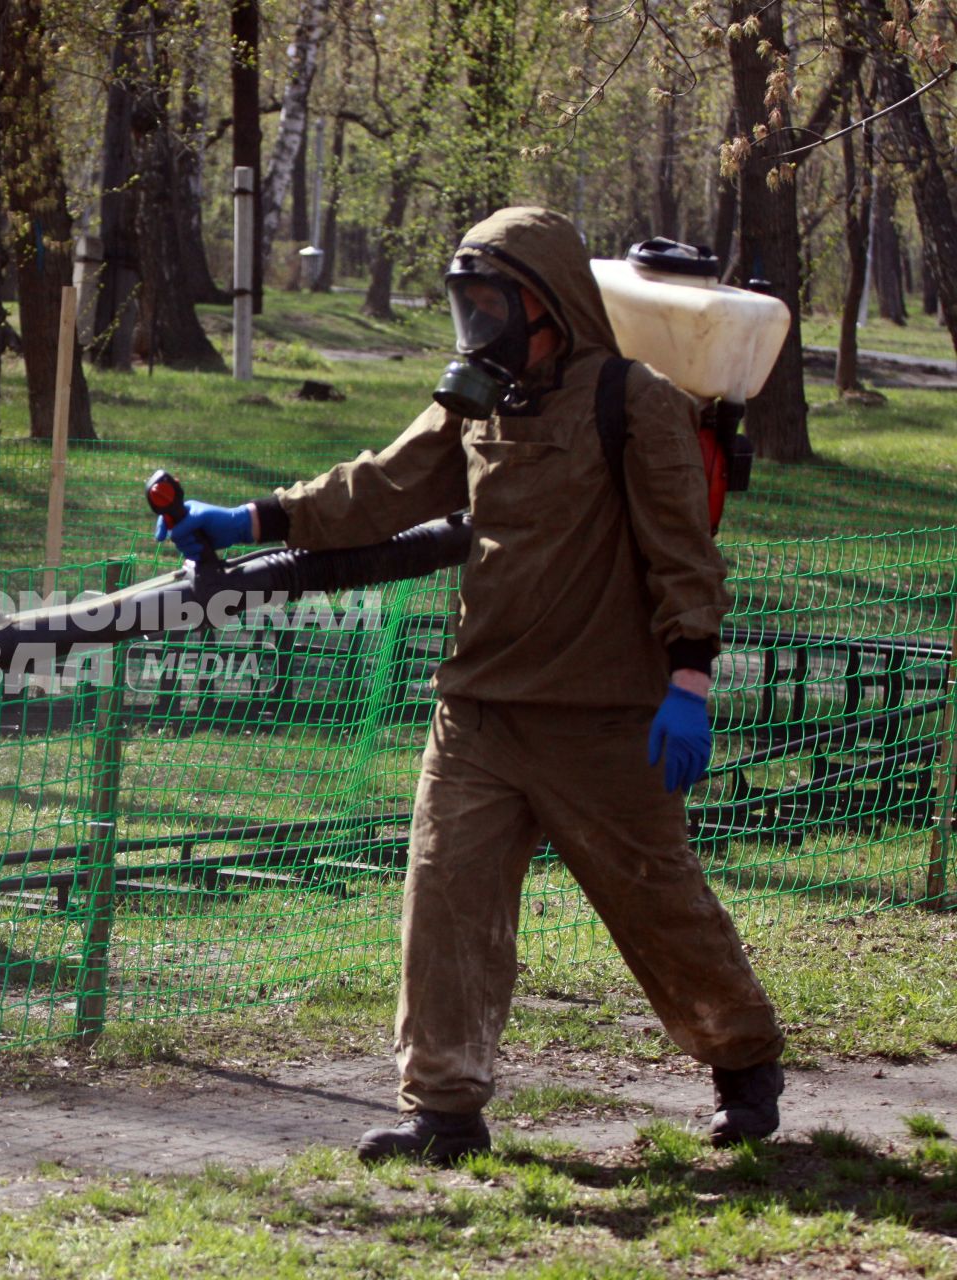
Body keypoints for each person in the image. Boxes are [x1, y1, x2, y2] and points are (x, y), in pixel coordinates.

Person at [158, 206, 785, 1162]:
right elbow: (383, 489)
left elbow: (683, 556)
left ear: (553, 307)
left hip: (603, 718)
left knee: (658, 906)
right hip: (479, 711)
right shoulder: (475, 403)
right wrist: (253, 518)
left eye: (497, 303)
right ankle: (443, 1110)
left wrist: (689, 679)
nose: (481, 325)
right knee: (445, 904)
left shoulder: (635, 400)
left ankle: (743, 1062)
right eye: (469, 304)